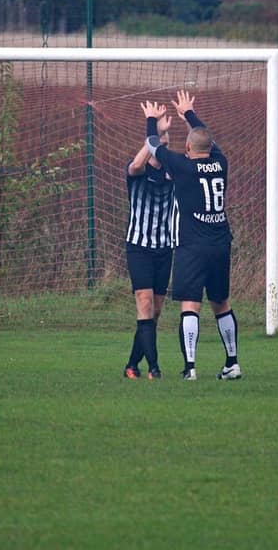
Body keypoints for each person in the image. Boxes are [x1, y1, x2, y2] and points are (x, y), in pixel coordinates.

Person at [141, 90, 241, 381]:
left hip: (192, 245)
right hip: (221, 243)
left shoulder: (183, 166)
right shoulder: (221, 162)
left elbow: (152, 144)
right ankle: (232, 363)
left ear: (187, 147)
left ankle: (191, 368)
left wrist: (151, 119)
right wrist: (188, 114)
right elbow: (207, 139)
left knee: (190, 304)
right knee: (221, 302)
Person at [123, 112, 174, 380]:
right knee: (144, 302)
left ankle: (132, 364)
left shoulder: (172, 174)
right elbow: (136, 163)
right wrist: (152, 127)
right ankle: (154, 368)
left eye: (166, 145)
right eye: (159, 145)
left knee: (154, 312)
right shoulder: (138, 171)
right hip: (139, 247)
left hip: (164, 249)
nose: (162, 149)